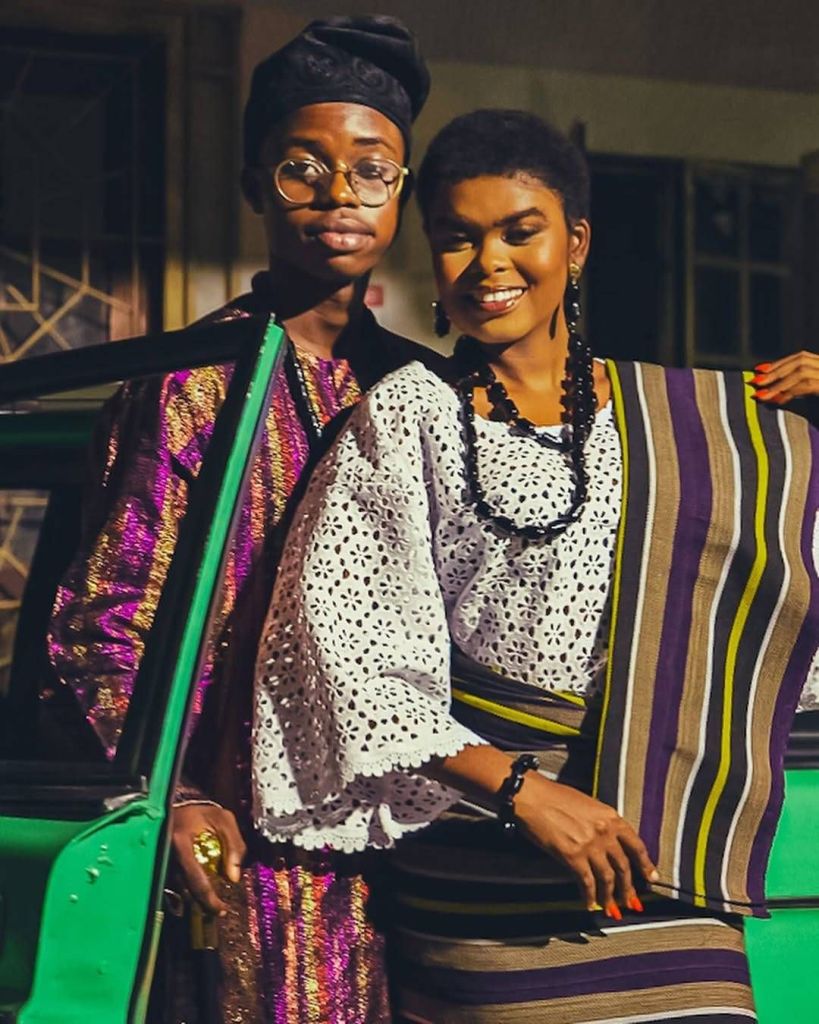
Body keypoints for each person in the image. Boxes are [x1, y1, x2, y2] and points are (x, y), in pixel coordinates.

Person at [252, 109, 819, 1022]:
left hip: (657, 853)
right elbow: (347, 657)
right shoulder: (407, 418)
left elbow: (788, 618)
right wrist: (524, 793)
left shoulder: (695, 425)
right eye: (457, 239)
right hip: (479, 868)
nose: (490, 266)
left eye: (521, 231)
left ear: (576, 241)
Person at [48, 16, 444, 1023]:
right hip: (246, 852)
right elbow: (103, 622)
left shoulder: (431, 394)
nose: (339, 195)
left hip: (421, 850)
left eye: (372, 169)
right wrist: (172, 795)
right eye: (303, 167)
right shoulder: (189, 384)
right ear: (254, 183)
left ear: (402, 192)